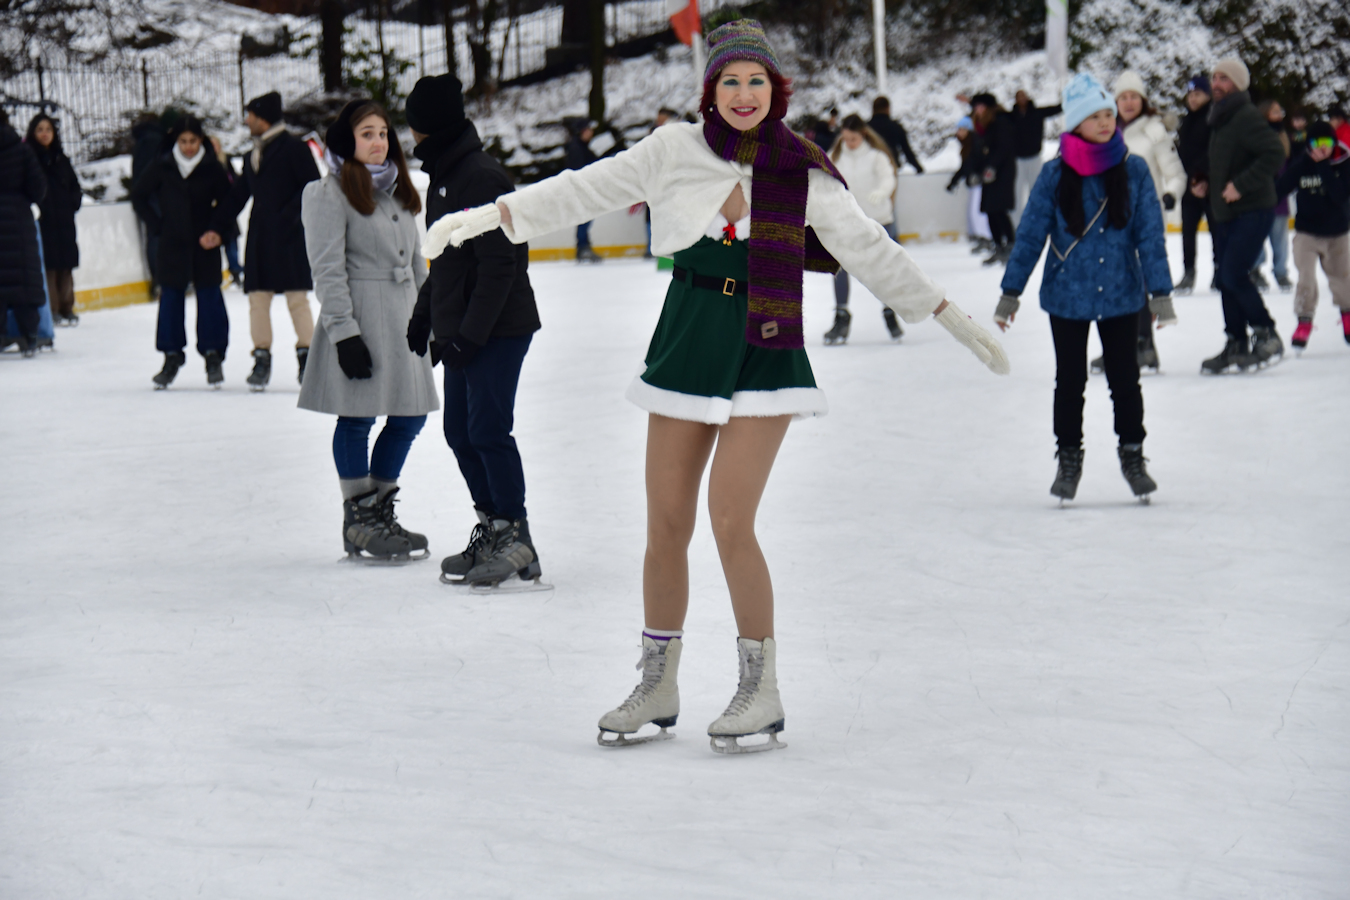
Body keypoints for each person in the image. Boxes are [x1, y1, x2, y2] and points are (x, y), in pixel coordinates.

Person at [421, 18, 1010, 753]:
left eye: (756, 81)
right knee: (666, 522)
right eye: (730, 81)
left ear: (776, 90)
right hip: (688, 338)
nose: (742, 93)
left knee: (731, 520)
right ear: (711, 90)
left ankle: (759, 687)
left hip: (766, 347)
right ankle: (658, 682)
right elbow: (580, 190)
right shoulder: (675, 150)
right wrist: (483, 218)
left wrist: (956, 319)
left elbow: (872, 251)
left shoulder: (802, 170)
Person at [995, 73, 1174, 503]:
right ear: (1075, 123)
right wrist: (1010, 292)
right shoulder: (1055, 174)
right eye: (1094, 116)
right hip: (1067, 297)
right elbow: (1032, 235)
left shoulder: (1134, 170)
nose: (1106, 122)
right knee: (1070, 381)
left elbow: (1150, 235)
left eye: (1109, 113)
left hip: (1120, 293)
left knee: (1125, 379)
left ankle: (1133, 454)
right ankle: (1068, 458)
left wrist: (1161, 294)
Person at [403, 74, 544, 589]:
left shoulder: (479, 178)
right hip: (465, 329)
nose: (410, 134)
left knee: (487, 430)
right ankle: (495, 529)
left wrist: (469, 335)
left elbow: (499, 267)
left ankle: (515, 535)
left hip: (497, 329)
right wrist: (425, 317)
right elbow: (445, 261)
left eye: (414, 123)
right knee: (460, 432)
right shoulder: (447, 175)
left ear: (429, 125)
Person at [299, 100, 437, 561]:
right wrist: (344, 334)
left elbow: (416, 262)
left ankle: (377, 509)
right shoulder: (328, 193)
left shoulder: (399, 191)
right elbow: (328, 270)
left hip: (403, 318)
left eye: (383, 133)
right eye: (367, 134)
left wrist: (428, 320)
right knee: (358, 418)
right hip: (360, 317)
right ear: (347, 141)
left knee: (410, 416)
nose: (378, 142)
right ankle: (358, 519)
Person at [223, 92, 321, 391]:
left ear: (262, 117)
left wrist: (289, 218)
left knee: (296, 299)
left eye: (250, 115)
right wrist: (215, 226)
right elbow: (240, 194)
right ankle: (261, 358)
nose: (246, 121)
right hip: (260, 237)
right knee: (257, 297)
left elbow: (312, 187)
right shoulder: (253, 153)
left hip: (290, 236)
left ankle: (308, 359)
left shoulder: (294, 148)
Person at [129, 116, 233, 389]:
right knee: (171, 299)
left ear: (202, 141)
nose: (188, 147)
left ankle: (213, 355)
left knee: (210, 297)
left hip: (204, 244)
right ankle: (171, 355)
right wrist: (157, 226)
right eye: (183, 141)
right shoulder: (163, 166)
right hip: (172, 245)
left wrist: (217, 230)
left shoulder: (211, 168)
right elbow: (138, 195)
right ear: (176, 141)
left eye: (193, 141)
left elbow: (228, 202)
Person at [1199, 58, 1288, 374]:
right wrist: (1208, 182)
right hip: (1227, 212)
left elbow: (1274, 152)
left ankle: (1267, 334)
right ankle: (1236, 341)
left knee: (1234, 274)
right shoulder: (1221, 118)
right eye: (1215, 77)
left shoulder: (1246, 116)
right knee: (1226, 278)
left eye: (1224, 78)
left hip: (1253, 209)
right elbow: (1229, 161)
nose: (1217, 83)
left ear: (1237, 84)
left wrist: (1240, 185)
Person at [1101, 71, 1185, 373]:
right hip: (1111, 218)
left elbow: (1175, 173)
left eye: (1133, 96)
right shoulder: (1106, 130)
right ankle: (1121, 345)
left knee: (1138, 282)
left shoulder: (1154, 131)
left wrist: (1170, 195)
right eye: (1122, 97)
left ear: (1143, 100)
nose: (1128, 102)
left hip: (1145, 217)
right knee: (1113, 282)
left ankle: (1143, 345)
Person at [823, 113, 901, 344]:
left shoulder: (876, 157)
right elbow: (823, 179)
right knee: (839, 269)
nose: (849, 143)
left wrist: (883, 191)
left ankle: (889, 312)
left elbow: (889, 178)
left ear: (863, 135)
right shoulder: (835, 156)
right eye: (845, 138)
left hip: (877, 220)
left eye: (853, 139)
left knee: (881, 270)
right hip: (846, 221)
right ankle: (841, 316)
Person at [1276, 121, 1350, 350]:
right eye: (1316, 143)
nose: (1322, 148)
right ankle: (1304, 321)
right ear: (1309, 144)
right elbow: (1279, 189)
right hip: (1307, 233)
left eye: (1327, 143)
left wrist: (1324, 168)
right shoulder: (1301, 165)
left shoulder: (1344, 164)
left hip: (1337, 233)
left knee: (1342, 279)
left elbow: (1340, 196)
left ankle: (1348, 317)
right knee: (1305, 278)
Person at [26, 113, 82, 327]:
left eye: (48, 129)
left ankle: (68, 306)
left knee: (66, 263)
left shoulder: (60, 157)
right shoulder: (30, 157)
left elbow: (74, 184)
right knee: (49, 265)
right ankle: (53, 308)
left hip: (64, 219)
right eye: (40, 129)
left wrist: (73, 202)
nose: (44, 134)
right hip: (44, 219)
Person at [0, 106, 47, 357]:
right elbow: (38, 187)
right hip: (18, 220)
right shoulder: (21, 149)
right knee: (24, 281)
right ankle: (29, 336)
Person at [1175, 75, 1214, 294]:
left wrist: (1202, 177)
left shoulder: (1213, 118)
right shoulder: (1186, 120)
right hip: (1188, 187)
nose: (1193, 98)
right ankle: (1188, 272)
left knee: (1217, 231)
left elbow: (1214, 150)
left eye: (1197, 93)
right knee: (1187, 232)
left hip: (1208, 185)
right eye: (1190, 94)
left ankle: (1219, 271)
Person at [972, 92, 1018, 265]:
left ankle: (1011, 245)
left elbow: (1004, 148)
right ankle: (998, 245)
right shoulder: (985, 124)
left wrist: (992, 167)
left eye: (980, 106)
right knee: (991, 209)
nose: (977, 110)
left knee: (999, 209)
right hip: (989, 172)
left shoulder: (1001, 122)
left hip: (1002, 172)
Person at [1252, 100, 1293, 292]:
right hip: (1261, 194)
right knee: (1258, 235)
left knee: (1280, 238)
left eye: (1280, 111)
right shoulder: (1258, 134)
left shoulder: (1284, 134)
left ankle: (1281, 272)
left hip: (1280, 194)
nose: (1279, 114)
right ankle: (1256, 269)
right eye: (1275, 111)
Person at [130, 111, 167, 293]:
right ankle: (160, 279)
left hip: (145, 194)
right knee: (158, 235)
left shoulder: (143, 140)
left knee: (155, 235)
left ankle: (160, 280)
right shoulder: (155, 140)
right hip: (154, 195)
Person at [1011, 89, 1062, 215]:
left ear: (1028, 98)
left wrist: (1070, 98)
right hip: (1018, 160)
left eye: (1024, 96)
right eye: (1019, 96)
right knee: (1016, 192)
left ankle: (1036, 217)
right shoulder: (1011, 116)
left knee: (1036, 190)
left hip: (1034, 158)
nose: (1022, 98)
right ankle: (1016, 222)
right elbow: (994, 114)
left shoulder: (1037, 113)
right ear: (1016, 100)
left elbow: (1057, 109)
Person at [947, 116, 992, 252]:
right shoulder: (967, 144)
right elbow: (965, 166)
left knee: (977, 212)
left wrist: (977, 175)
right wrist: (954, 182)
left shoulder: (975, 143)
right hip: (973, 183)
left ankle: (986, 238)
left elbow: (978, 161)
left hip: (979, 183)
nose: (959, 132)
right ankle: (981, 236)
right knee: (973, 212)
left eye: (962, 129)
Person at [564, 120, 602, 263]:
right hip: (581, 187)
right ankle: (582, 247)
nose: (591, 133)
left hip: (584, 186)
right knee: (584, 218)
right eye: (588, 130)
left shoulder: (584, 146)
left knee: (586, 217)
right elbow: (578, 168)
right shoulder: (576, 147)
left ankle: (583, 246)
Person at [209, 135, 244, 288]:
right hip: (212, 210)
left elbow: (234, 180)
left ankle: (235, 270)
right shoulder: (206, 164)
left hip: (227, 207)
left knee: (231, 242)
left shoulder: (224, 161)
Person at [867, 96, 924, 174]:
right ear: (888, 108)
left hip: (870, 170)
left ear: (873, 109)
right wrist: (919, 168)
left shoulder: (865, 128)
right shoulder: (896, 127)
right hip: (890, 169)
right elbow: (907, 152)